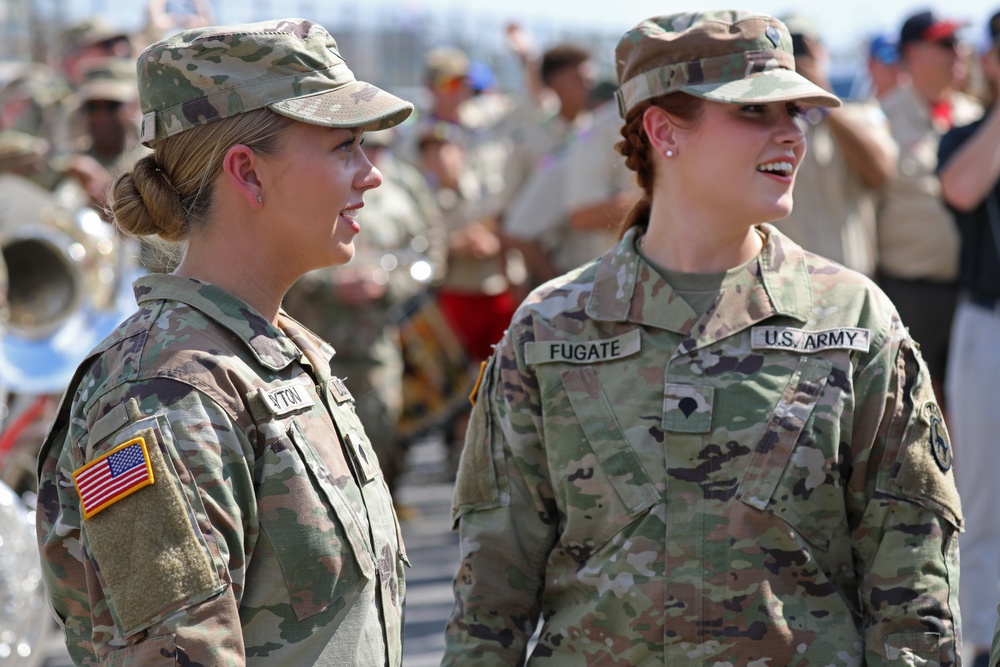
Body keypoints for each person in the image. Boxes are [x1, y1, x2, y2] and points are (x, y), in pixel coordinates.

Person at [442, 11, 963, 665]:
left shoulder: (854, 320)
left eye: (796, 112)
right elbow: (490, 599)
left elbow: (912, 595)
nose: (790, 136)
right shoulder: (550, 328)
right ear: (663, 131)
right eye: (755, 114)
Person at [35, 18, 413, 665]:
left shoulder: (277, 355)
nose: (371, 174)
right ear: (248, 172)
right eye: (344, 146)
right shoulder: (165, 394)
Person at [876, 9, 982, 405]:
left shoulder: (976, 118)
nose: (960, 51)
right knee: (908, 413)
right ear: (914, 53)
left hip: (971, 294)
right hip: (907, 293)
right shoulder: (881, 120)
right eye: (946, 43)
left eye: (959, 42)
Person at [938, 11, 1000, 667]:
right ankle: (979, 640)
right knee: (982, 496)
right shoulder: (965, 135)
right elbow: (961, 188)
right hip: (989, 323)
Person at [776, 14, 898, 276]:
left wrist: (823, 98)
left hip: (853, 288)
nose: (799, 57)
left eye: (805, 46)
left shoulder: (860, 115)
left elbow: (880, 172)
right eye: (788, 48)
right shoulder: (769, 129)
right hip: (788, 284)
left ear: (823, 53)